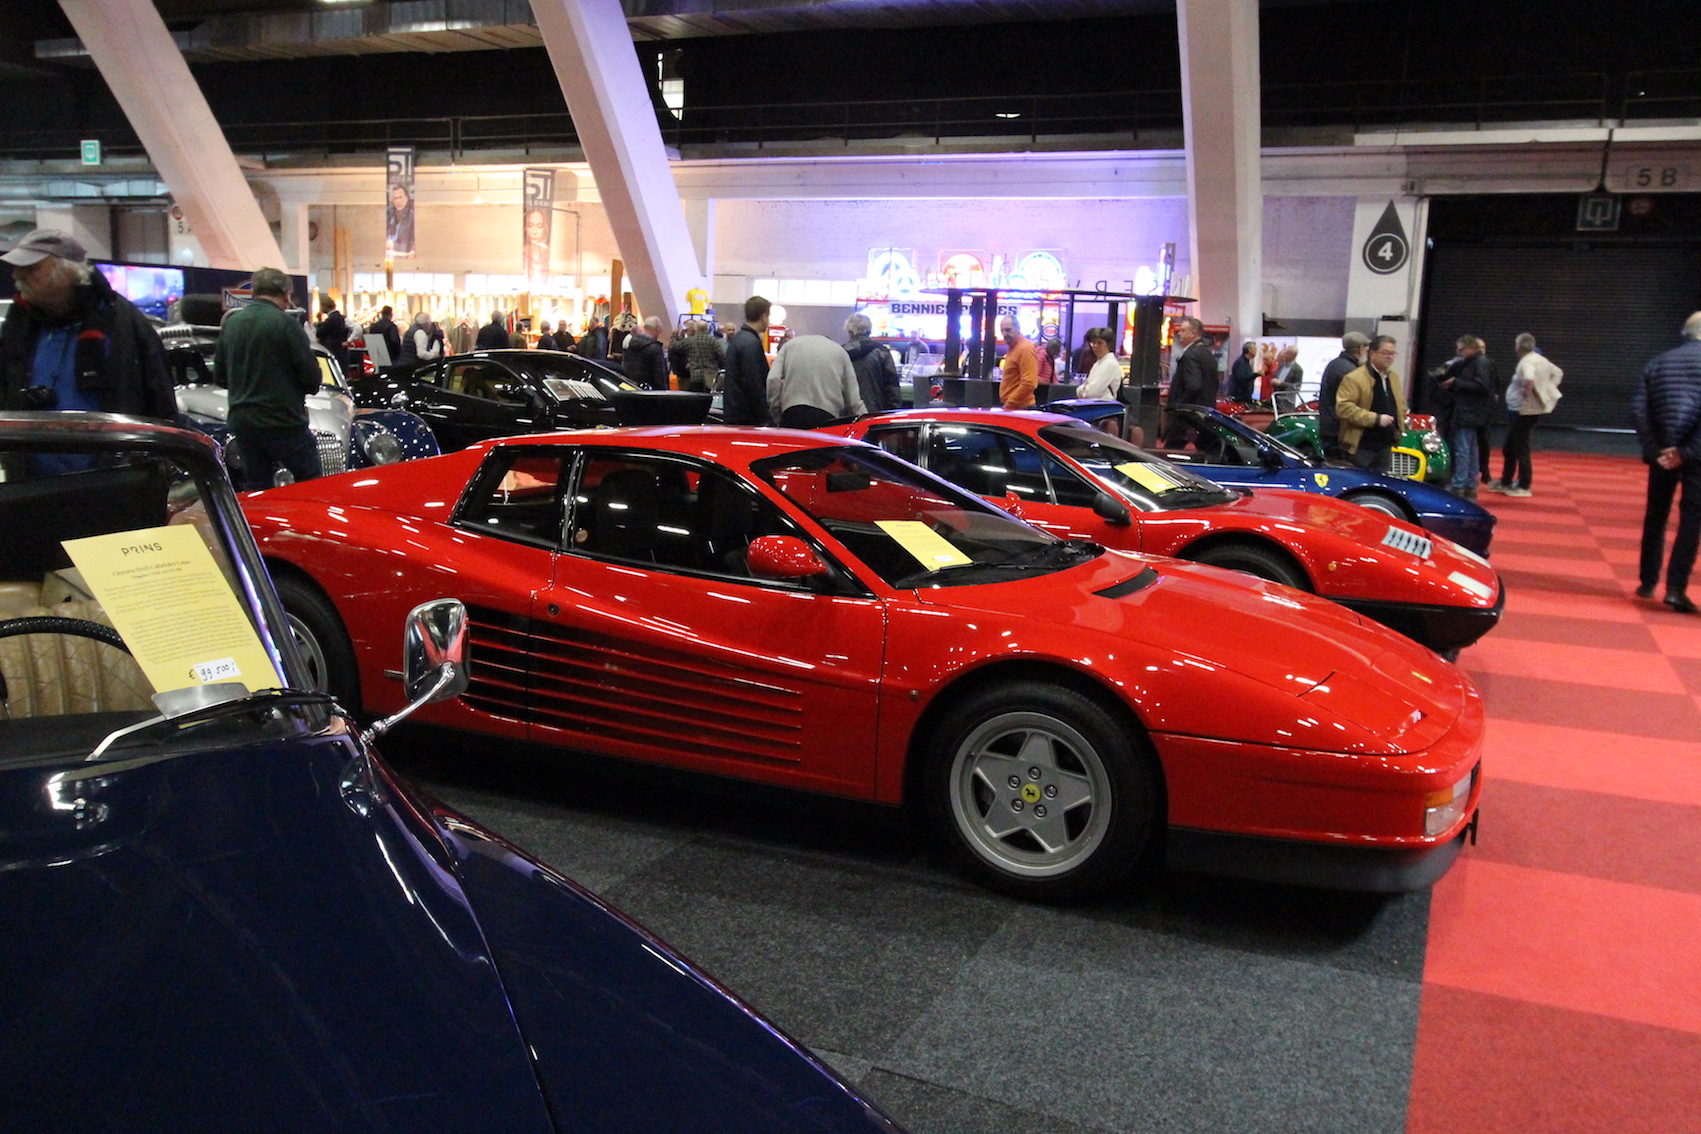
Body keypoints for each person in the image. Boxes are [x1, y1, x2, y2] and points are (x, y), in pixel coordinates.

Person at [0, 228, 174, 425]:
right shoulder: (19, 323)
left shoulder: (123, 323)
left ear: (68, 270)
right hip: (28, 443)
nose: (17, 275)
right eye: (18, 268)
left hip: (110, 443)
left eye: (31, 268)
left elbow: (160, 401)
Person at [215, 267, 321, 491]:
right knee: (311, 483)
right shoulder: (286, 324)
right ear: (286, 294)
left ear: (254, 292)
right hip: (283, 421)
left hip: (244, 422)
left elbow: (220, 376)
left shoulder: (232, 324)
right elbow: (311, 378)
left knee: (256, 487)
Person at [1631, 312, 1701, 614]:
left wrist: (1655, 449)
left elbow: (1639, 408)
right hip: (1696, 455)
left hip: (1661, 452)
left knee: (1656, 515)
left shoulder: (1658, 362)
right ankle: (1675, 588)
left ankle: (1647, 581)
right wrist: (1687, 451)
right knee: (1692, 519)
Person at [1488, 333, 1563, 497]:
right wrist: (1548, 388)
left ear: (1518, 347)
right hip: (1528, 410)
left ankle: (1523, 485)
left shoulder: (1526, 362)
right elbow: (1558, 373)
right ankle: (1506, 481)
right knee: (1511, 446)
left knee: (1520, 447)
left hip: (1522, 410)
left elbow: (1529, 378)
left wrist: (1527, 391)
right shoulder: (1541, 360)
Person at [1334, 334, 1404, 473]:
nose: (1389, 357)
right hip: (1361, 445)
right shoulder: (1354, 378)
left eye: (1392, 354)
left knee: (1382, 483)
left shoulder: (1393, 377)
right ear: (1372, 353)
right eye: (1385, 353)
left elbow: (1400, 403)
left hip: (1385, 445)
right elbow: (1343, 408)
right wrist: (1375, 419)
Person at [766, 334, 863, 428]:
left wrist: (777, 414)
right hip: (827, 417)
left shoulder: (789, 346)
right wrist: (867, 423)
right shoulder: (840, 352)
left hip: (791, 413)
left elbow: (773, 379)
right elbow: (854, 401)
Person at [1439, 335, 1494, 500]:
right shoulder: (1477, 362)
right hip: (1472, 412)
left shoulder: (1478, 363)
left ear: (1471, 348)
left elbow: (1482, 386)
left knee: (1463, 449)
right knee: (1470, 450)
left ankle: (1459, 485)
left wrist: (1455, 382)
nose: (1458, 352)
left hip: (1468, 412)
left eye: (1461, 349)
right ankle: (1469, 485)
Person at [1161, 316, 1219, 447]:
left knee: (1172, 450)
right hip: (1205, 412)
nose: (1179, 334)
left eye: (1183, 330)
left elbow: (1193, 386)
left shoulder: (1191, 355)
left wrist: (1178, 405)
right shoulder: (1207, 354)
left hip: (1188, 415)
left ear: (1193, 333)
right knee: (1205, 449)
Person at [1317, 331, 1370, 460]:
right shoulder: (1350, 372)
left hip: (1331, 429)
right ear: (1361, 349)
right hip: (1339, 432)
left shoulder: (1336, 364)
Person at [723, 295, 773, 426]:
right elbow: (754, 383)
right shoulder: (751, 343)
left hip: (735, 413)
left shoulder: (739, 339)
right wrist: (765, 417)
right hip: (747, 418)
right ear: (764, 316)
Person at [844, 312, 900, 412]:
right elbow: (892, 388)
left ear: (850, 332)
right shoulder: (882, 352)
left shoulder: (842, 353)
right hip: (875, 412)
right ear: (869, 331)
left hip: (847, 413)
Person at [997, 315, 1038, 410]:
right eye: (1002, 331)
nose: (1004, 334)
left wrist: (1010, 404)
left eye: (1008, 330)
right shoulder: (1014, 348)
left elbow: (1029, 383)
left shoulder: (1024, 348)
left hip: (1020, 408)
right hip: (1016, 407)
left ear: (1018, 328)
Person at [621, 316, 669, 390]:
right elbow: (659, 375)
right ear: (657, 328)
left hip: (632, 387)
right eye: (660, 328)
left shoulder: (631, 344)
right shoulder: (655, 348)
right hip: (650, 390)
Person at [1079, 326, 1122, 400]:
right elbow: (1084, 387)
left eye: (1100, 343)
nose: (1096, 346)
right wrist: (1084, 390)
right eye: (1093, 343)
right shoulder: (1097, 363)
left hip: (1104, 405)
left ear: (1108, 344)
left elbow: (1093, 392)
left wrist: (1084, 391)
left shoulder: (1110, 364)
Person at [685, 319, 726, 392]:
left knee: (696, 397)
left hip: (696, 376)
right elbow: (722, 355)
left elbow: (675, 346)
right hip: (711, 376)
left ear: (696, 328)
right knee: (709, 396)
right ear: (707, 328)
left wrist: (674, 334)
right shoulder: (712, 340)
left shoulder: (690, 340)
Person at [315, 297, 350, 371]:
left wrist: (319, 321)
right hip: (340, 351)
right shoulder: (340, 317)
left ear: (325, 305)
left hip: (332, 350)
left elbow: (319, 333)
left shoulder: (331, 319)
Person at [367, 304, 402, 370]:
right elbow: (395, 341)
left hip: (378, 357)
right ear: (391, 314)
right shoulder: (392, 327)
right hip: (391, 357)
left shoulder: (374, 326)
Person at [385, 183, 414, 258]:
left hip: (403, 258)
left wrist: (393, 245)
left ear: (406, 198)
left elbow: (410, 245)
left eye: (400, 197)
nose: (398, 201)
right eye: (395, 198)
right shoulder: (387, 213)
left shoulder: (413, 218)